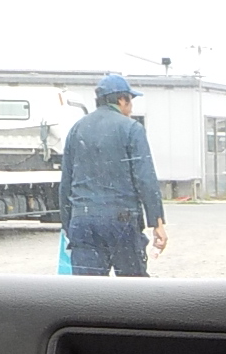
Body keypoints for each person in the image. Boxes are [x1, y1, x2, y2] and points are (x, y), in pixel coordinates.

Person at [59, 74, 168, 276]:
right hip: (121, 219)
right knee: (131, 287)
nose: (131, 108)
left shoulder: (77, 129)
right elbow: (145, 179)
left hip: (83, 220)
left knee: (87, 290)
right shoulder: (131, 129)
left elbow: (66, 181)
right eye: (130, 101)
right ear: (121, 100)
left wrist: (68, 224)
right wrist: (157, 222)